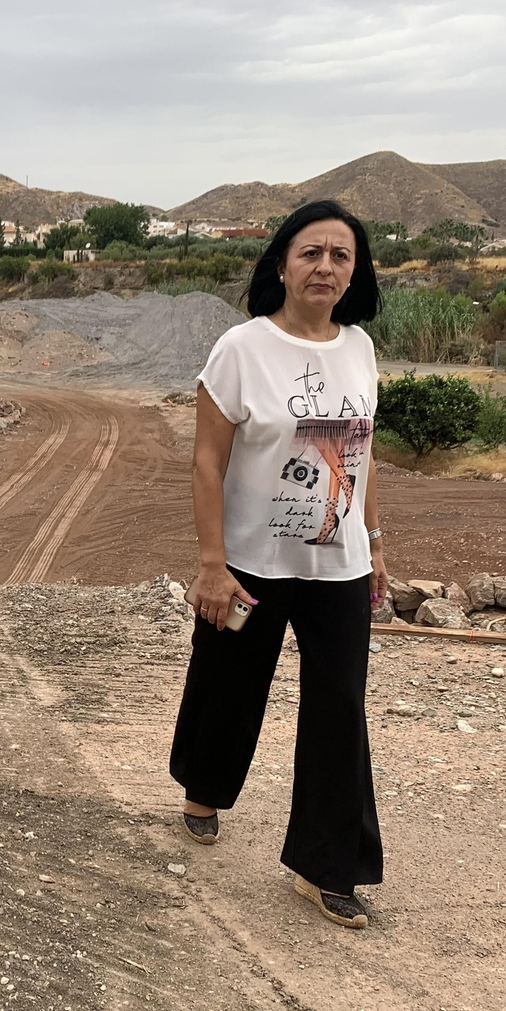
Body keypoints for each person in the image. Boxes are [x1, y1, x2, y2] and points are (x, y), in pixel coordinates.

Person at [168, 199, 388, 929]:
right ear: (282, 265)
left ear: (356, 274)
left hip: (341, 564)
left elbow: (362, 455)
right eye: (311, 253)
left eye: (341, 256)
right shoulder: (241, 349)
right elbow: (207, 461)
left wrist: (376, 541)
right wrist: (211, 562)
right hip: (252, 561)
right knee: (228, 682)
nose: (325, 266)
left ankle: (325, 867)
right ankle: (204, 790)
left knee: (339, 708)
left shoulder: (359, 348)